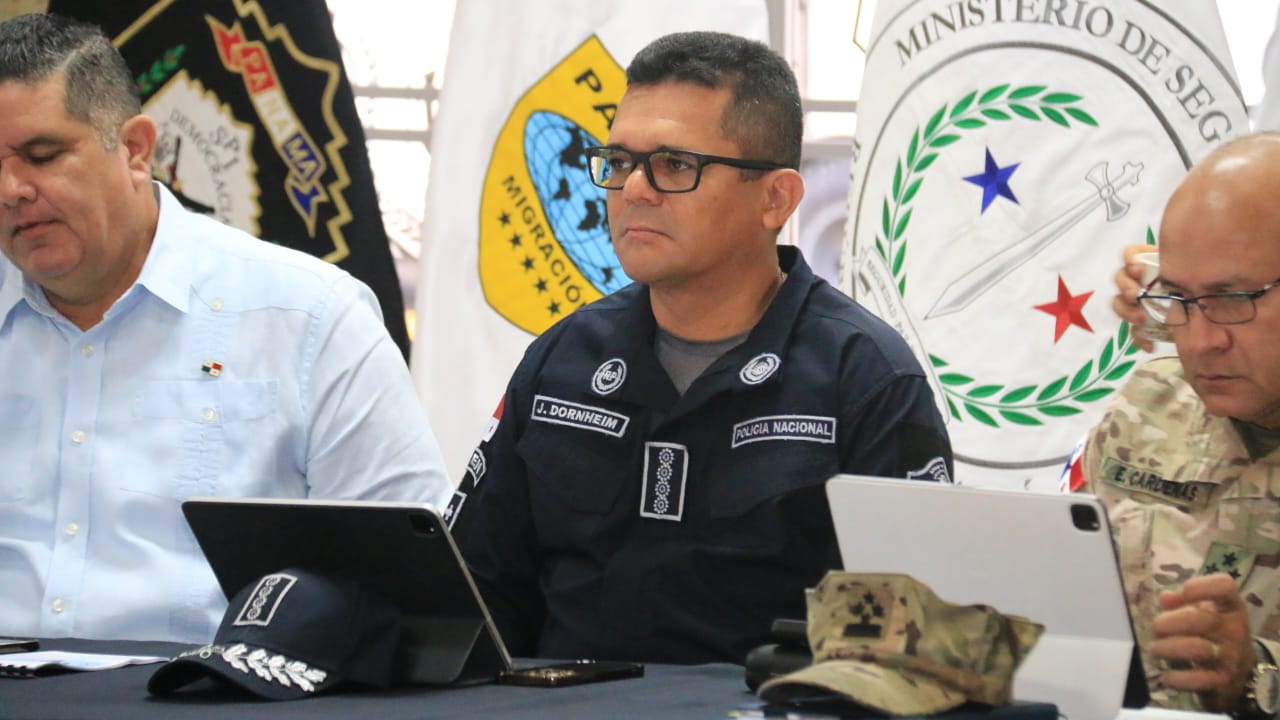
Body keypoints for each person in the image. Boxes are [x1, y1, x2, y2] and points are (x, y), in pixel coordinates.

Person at [447, 31, 953, 665]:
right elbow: (474, 599)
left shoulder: (865, 379)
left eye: (674, 165)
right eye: (620, 161)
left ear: (776, 199)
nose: (634, 190)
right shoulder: (563, 360)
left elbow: (905, 647)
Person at [0, 14, 451, 644]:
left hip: (206, 682)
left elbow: (412, 586)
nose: (11, 190)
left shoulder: (309, 317)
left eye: (42, 156)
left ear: (135, 150)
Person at [1080, 132, 1280, 714]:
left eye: (1234, 299)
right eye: (1179, 300)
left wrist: (1258, 678)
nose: (1200, 342)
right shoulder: (1147, 410)